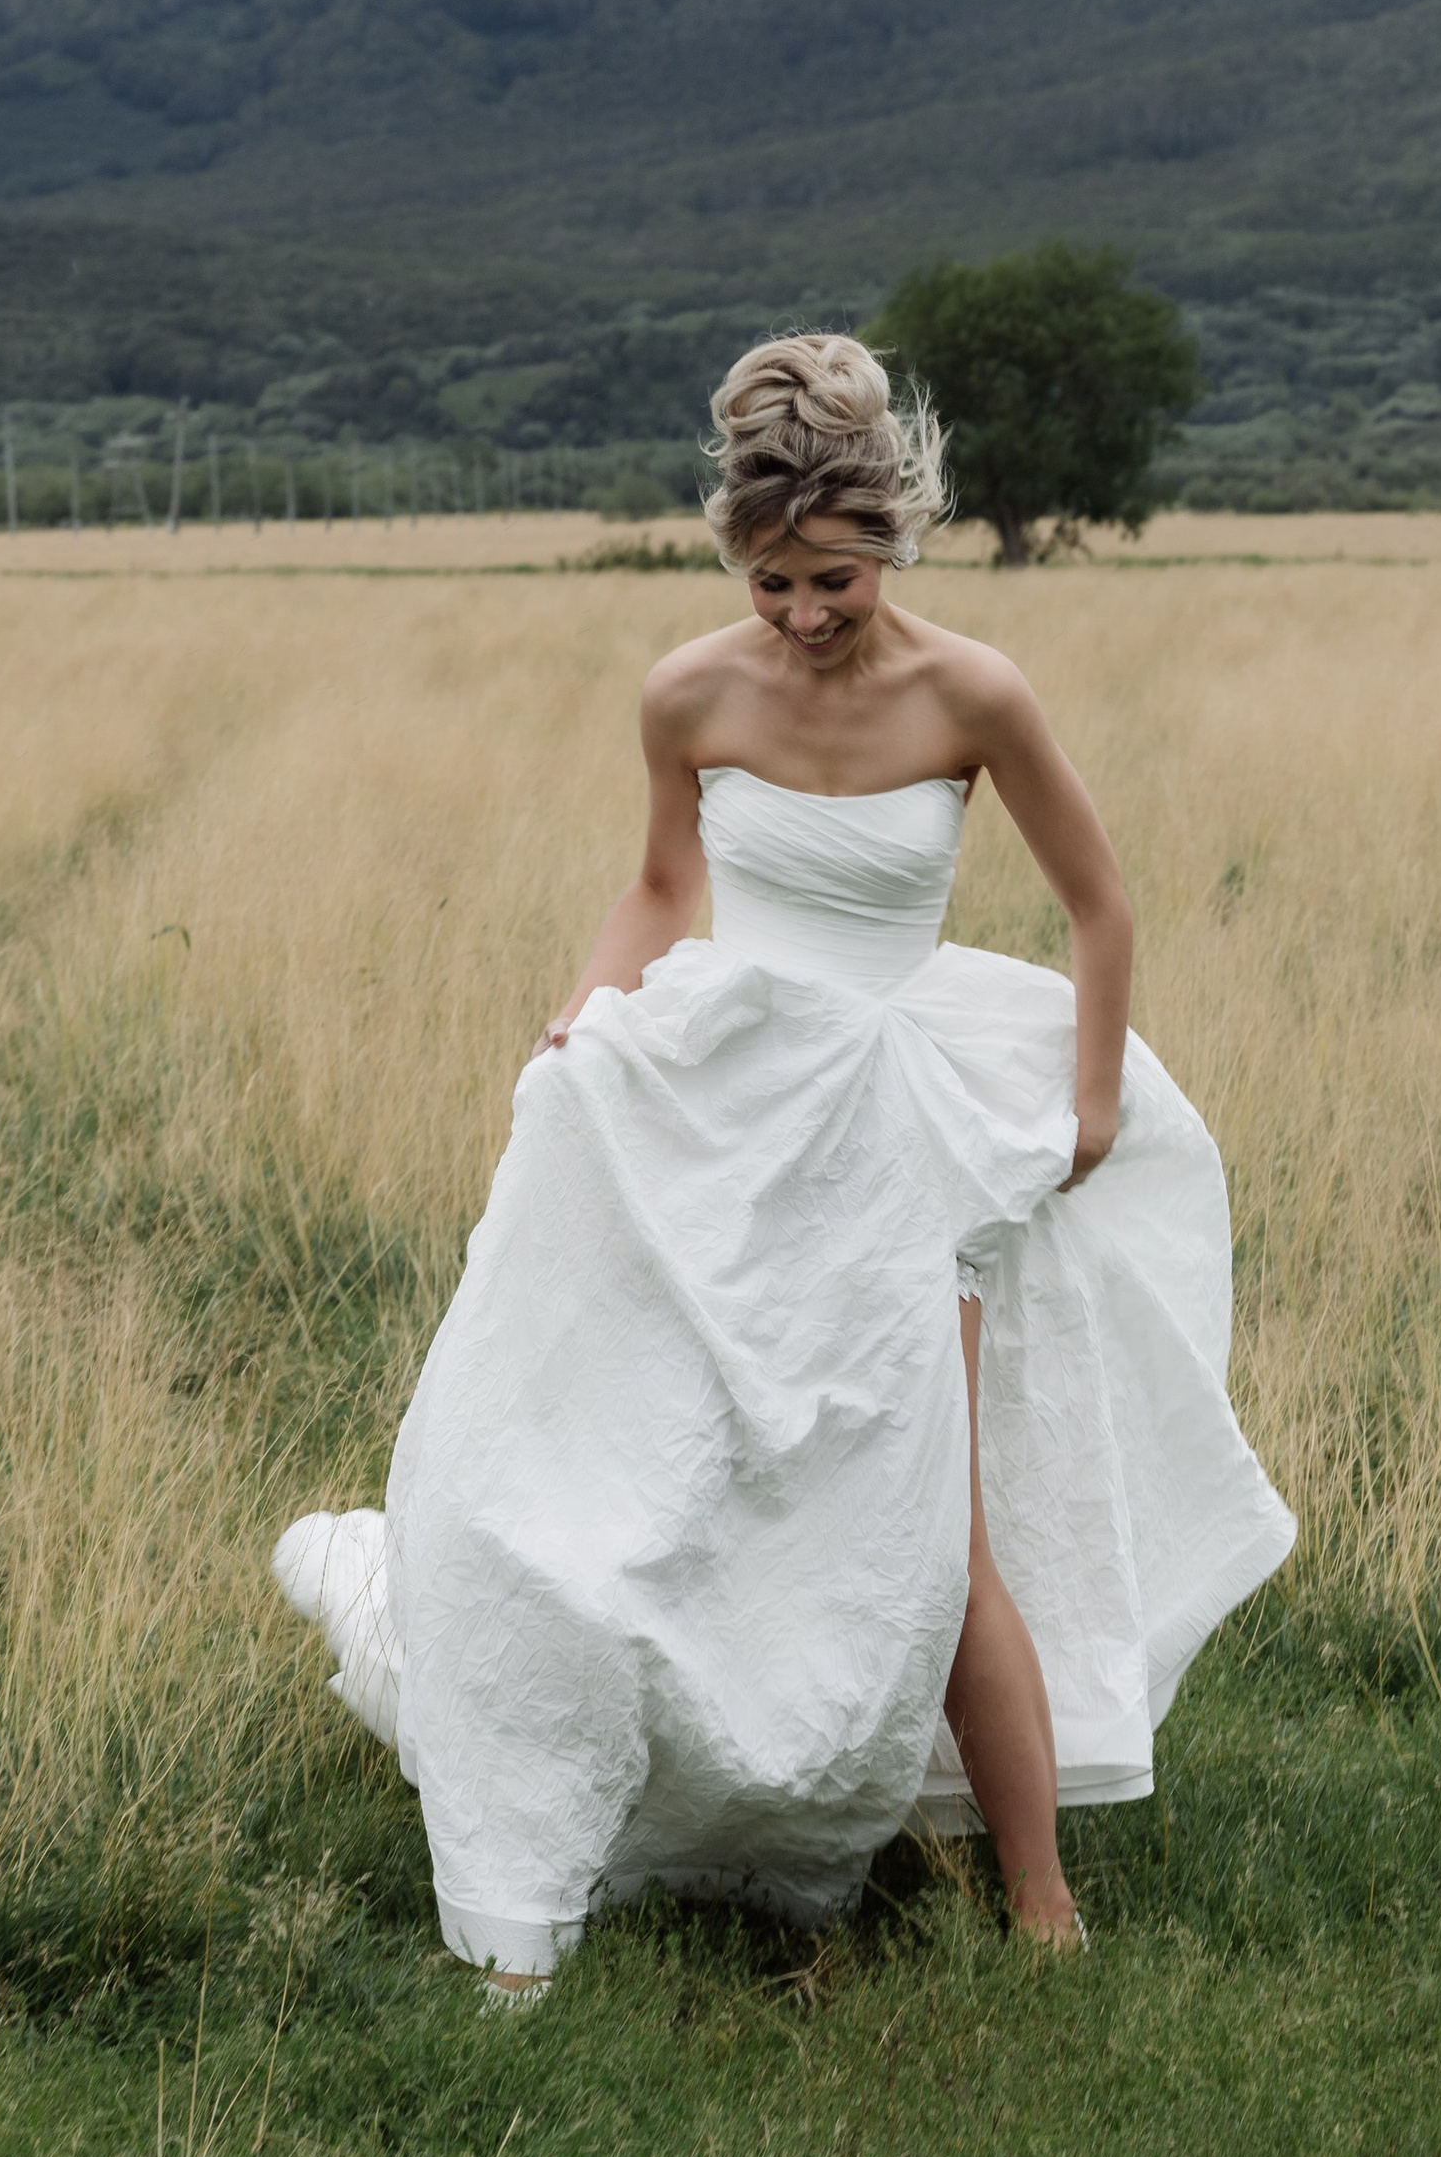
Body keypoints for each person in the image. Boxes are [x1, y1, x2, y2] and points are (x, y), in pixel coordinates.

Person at [274, 333, 1293, 1998]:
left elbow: (1104, 907)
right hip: (720, 1103)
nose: (804, 617)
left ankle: (1041, 1908)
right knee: (686, 1471)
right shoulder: (689, 693)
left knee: (935, 1519)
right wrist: (580, 1017)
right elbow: (663, 890)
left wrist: (1092, 1103)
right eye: (770, 585)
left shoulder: (974, 694)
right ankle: (675, 1795)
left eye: (831, 578)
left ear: (892, 539)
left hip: (906, 1125)